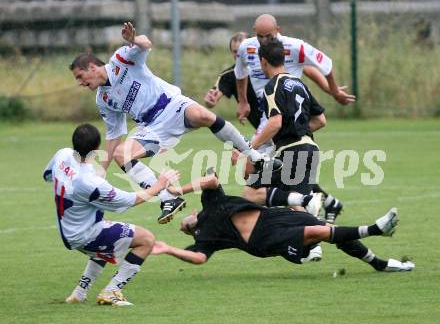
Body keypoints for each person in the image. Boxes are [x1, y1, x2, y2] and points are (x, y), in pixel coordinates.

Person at [69, 22, 282, 224]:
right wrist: (102, 171)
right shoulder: (103, 99)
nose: (80, 83)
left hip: (171, 103)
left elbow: (145, 44)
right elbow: (114, 135)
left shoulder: (120, 60)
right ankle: (167, 198)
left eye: (80, 76)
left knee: (205, 116)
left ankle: (256, 156)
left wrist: (133, 39)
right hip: (151, 127)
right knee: (120, 154)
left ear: (91, 67)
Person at [151, 175, 415, 273]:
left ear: (193, 211)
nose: (182, 225)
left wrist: (178, 191)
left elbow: (210, 179)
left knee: (321, 227)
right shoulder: (204, 238)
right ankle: (376, 229)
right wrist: (169, 249)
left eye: (183, 221)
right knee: (319, 231)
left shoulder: (211, 202)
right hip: (260, 242)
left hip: (271, 218)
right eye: (183, 228)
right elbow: (198, 258)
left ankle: (379, 264)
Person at [43, 123, 181, 306]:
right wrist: (160, 184)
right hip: (84, 234)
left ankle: (79, 294)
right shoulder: (91, 183)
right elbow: (131, 200)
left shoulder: (63, 154)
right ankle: (112, 291)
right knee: (146, 239)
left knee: (109, 241)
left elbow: (48, 175)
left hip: (72, 229)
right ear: (97, 149)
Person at [235, 14, 350, 221]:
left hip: (280, 118)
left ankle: (297, 222)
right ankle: (323, 205)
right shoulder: (247, 48)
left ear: (278, 29)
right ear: (254, 32)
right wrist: (243, 102)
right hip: (273, 117)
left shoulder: (293, 48)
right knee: (277, 173)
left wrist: (333, 91)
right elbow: (240, 73)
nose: (264, 40)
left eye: (268, 35)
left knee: (251, 171)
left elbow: (322, 65)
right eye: (260, 36)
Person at [203, 32, 262, 129]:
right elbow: (213, 98)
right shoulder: (228, 75)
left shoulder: (268, 67)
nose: (239, 54)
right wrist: (210, 101)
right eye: (235, 51)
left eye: (243, 50)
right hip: (262, 129)